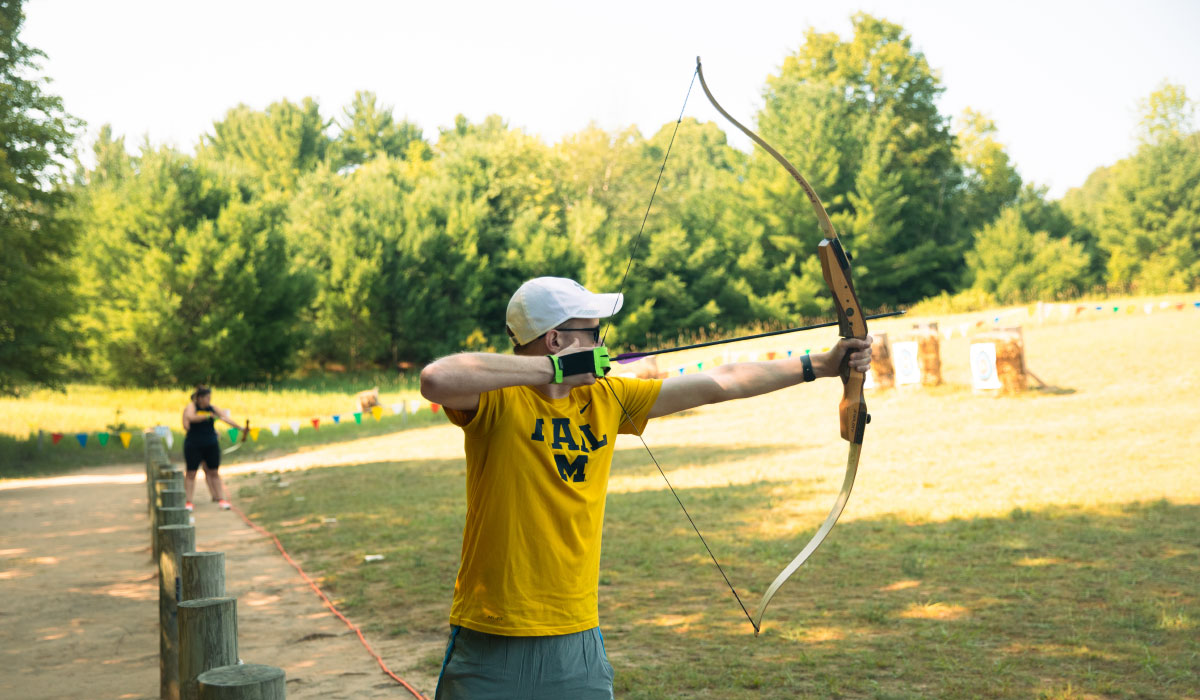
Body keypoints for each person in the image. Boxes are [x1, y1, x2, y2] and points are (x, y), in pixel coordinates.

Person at [419, 276, 873, 700]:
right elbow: (436, 379)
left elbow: (721, 382)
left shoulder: (608, 397)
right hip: (493, 631)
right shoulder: (496, 399)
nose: (602, 343)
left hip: (577, 631)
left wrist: (821, 364)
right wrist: (553, 371)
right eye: (593, 333)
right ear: (556, 340)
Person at [180, 385, 239, 511]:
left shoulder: (212, 408)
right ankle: (189, 502)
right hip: (193, 444)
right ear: (200, 398)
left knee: (214, 472)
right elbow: (190, 418)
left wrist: (241, 428)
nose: (209, 400)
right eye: (207, 397)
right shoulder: (192, 406)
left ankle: (221, 499)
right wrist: (207, 416)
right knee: (191, 473)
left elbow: (225, 418)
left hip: (210, 444)